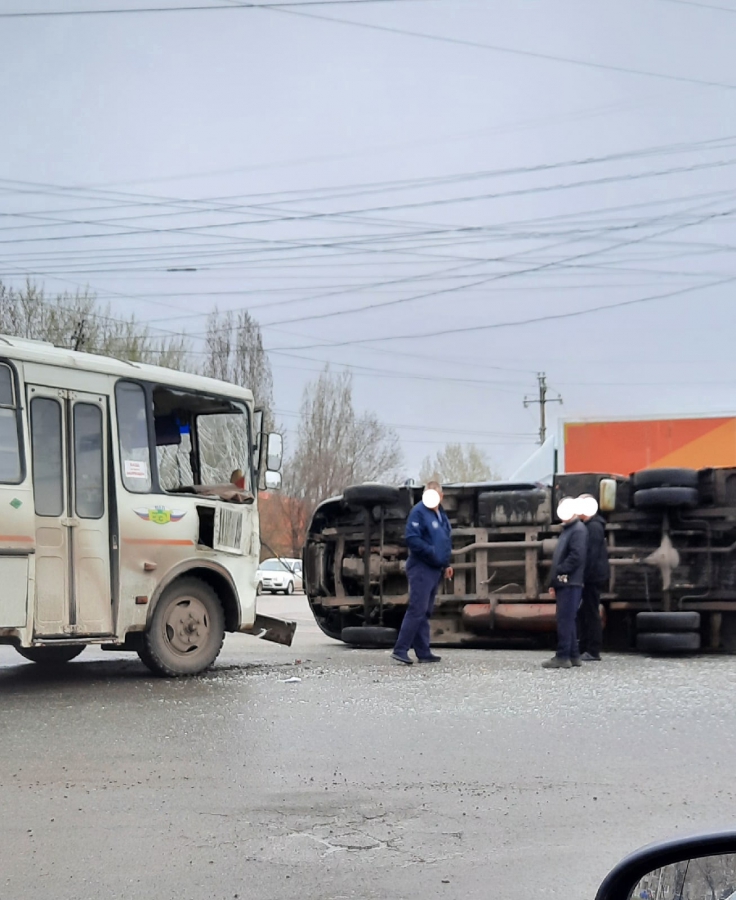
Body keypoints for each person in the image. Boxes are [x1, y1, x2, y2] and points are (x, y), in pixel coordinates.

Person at [392, 481, 453, 665]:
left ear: (441, 496)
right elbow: (412, 538)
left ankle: (423, 651)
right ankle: (400, 649)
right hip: (421, 567)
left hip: (435, 568)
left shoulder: (441, 515)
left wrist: (445, 564)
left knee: (425, 611)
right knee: (417, 609)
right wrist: (431, 552)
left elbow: (444, 541)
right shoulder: (419, 512)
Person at [543, 496, 588, 670]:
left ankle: (563, 655)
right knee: (568, 618)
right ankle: (573, 654)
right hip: (567, 581)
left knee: (565, 619)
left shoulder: (576, 530)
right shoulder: (571, 530)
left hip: (569, 581)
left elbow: (576, 556)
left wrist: (560, 570)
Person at [577, 494, 610, 662]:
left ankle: (593, 650)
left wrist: (582, 577)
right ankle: (584, 647)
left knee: (591, 611)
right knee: (585, 612)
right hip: (592, 576)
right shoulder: (592, 526)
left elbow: (590, 556)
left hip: (592, 577)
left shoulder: (594, 528)